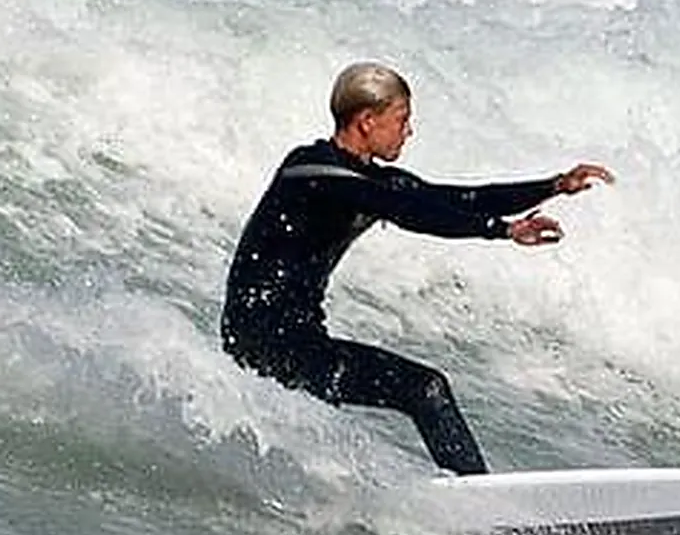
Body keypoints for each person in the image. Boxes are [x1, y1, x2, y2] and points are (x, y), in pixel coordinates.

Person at [221, 62, 613, 475]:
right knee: (425, 388)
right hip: (262, 338)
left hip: (300, 339)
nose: (408, 131)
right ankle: (480, 500)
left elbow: (459, 200)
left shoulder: (374, 181)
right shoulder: (312, 170)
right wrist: (502, 230)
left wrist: (554, 186)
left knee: (384, 406)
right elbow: (409, 212)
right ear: (367, 121)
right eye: (401, 119)